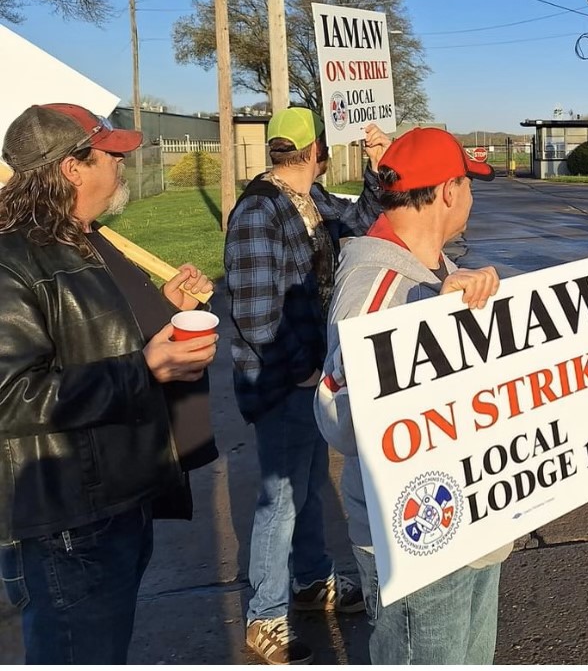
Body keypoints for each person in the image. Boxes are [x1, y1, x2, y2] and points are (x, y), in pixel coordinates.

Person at [0, 103, 218, 663]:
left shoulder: (89, 239)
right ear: (73, 168)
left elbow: (97, 332)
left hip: (119, 497)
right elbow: (12, 396)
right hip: (69, 520)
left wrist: (163, 310)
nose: (123, 166)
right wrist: (143, 369)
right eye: (112, 155)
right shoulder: (12, 259)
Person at [314, 127, 510, 663]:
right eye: (470, 185)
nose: (471, 196)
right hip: (416, 538)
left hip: (469, 519)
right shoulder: (374, 285)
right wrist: (425, 326)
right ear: (449, 191)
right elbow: (340, 417)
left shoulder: (439, 270)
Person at [225, 107, 390, 665]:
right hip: (281, 379)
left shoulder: (311, 200)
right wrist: (303, 371)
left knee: (309, 482)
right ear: (315, 149)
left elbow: (362, 222)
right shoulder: (259, 211)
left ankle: (311, 578)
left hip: (309, 373)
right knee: (282, 498)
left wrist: (376, 167)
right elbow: (253, 313)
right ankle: (265, 615)